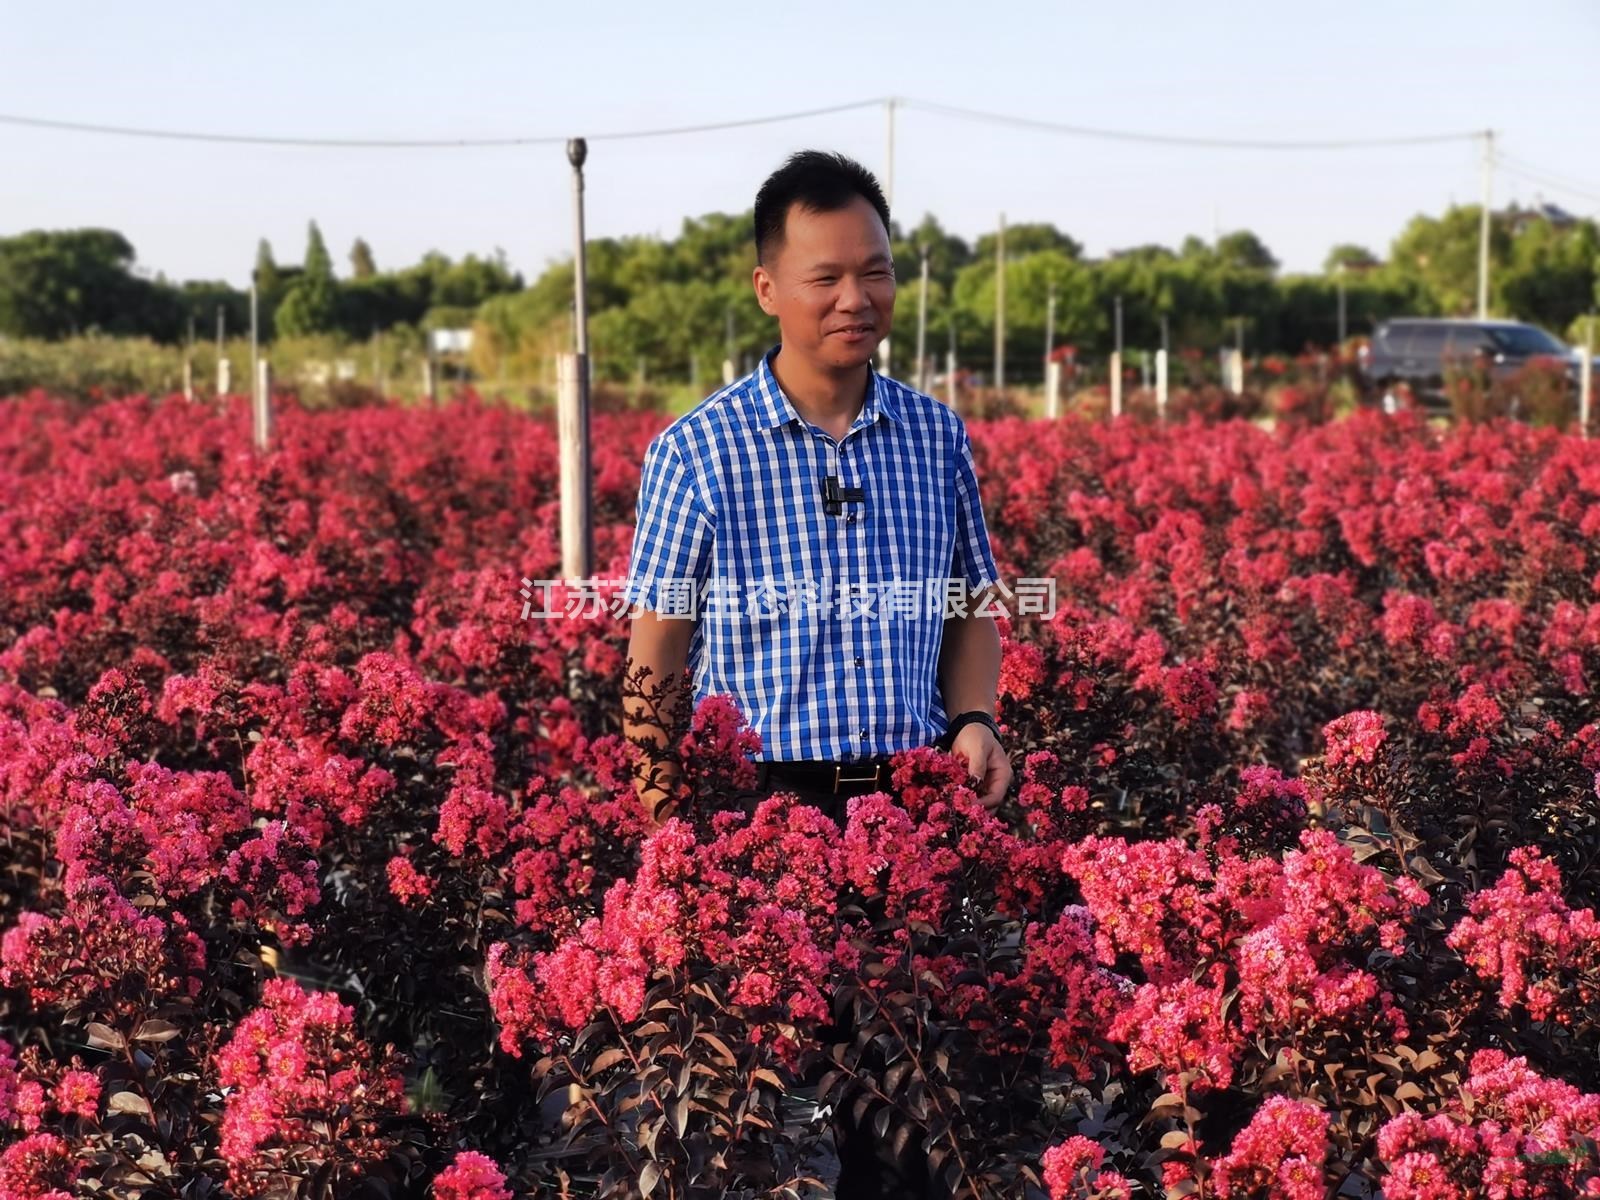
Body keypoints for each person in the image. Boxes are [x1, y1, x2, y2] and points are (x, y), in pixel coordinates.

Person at [619, 150, 1012, 1197]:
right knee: (776, 1120)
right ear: (768, 288)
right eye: (825, 275)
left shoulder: (933, 436)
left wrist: (974, 718)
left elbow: (973, 600)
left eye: (875, 270)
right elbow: (653, 660)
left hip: (910, 802)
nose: (856, 296)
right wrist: (678, 839)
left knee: (909, 1107)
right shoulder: (697, 452)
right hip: (758, 813)